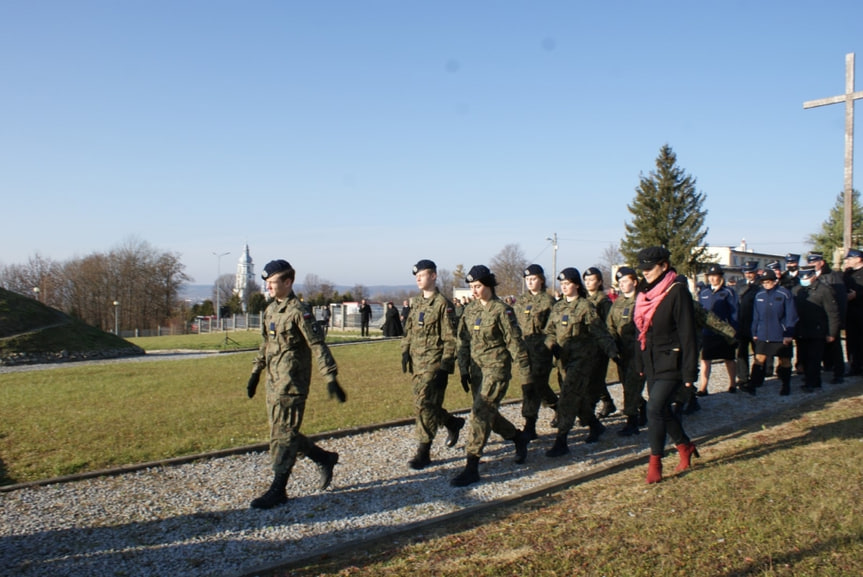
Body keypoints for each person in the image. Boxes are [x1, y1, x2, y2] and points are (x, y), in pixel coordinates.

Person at [246, 259, 346, 510]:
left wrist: (331, 377)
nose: (268, 287)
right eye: (266, 283)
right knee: (281, 432)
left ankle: (278, 489)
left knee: (284, 435)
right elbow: (265, 344)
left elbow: (317, 345)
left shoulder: (299, 311)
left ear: (287, 282)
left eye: (272, 282)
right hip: (273, 381)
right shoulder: (270, 310)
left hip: (292, 383)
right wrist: (255, 372)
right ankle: (324, 458)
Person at [452, 265, 532, 487]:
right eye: (471, 287)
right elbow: (463, 341)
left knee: (480, 411)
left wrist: (526, 376)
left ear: (488, 285)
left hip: (497, 368)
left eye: (477, 286)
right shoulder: (470, 310)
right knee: (488, 413)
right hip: (477, 370)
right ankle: (518, 438)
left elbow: (515, 343)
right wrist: (464, 368)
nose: (474, 291)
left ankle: (471, 465)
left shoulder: (502, 310)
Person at [633, 247, 699, 484]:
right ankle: (685, 446)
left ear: (664, 265)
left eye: (650, 268)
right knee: (662, 410)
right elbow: (640, 332)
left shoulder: (677, 291)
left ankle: (655, 461)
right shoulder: (644, 292)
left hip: (673, 362)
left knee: (653, 408)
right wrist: (640, 361)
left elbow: (688, 334)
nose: (645, 273)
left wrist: (691, 372)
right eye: (643, 269)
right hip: (651, 361)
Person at [543, 267, 620, 457]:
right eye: (562, 284)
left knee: (568, 397)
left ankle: (561, 440)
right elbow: (549, 331)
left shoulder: (585, 307)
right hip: (563, 360)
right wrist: (551, 345)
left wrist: (613, 353)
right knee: (577, 398)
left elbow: (600, 332)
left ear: (577, 285)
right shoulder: (559, 307)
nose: (565, 287)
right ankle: (595, 425)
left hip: (582, 360)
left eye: (568, 283)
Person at [400, 259, 465, 470]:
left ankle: (424, 450)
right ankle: (451, 423)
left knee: (423, 405)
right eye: (416, 276)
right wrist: (405, 351)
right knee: (428, 404)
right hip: (417, 364)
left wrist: (445, 367)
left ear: (434, 276)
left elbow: (450, 339)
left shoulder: (442, 304)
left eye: (423, 274)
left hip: (434, 364)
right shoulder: (415, 302)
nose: (419, 278)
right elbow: (409, 331)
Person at [514, 264, 559, 439]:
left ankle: (554, 409)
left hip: (542, 351)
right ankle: (531, 424)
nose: (530, 282)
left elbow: (553, 328)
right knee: (528, 387)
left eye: (533, 279)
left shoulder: (548, 302)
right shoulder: (522, 301)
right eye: (527, 280)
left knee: (538, 385)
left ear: (541, 280)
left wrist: (551, 345)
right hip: (525, 351)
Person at [743, 269, 798, 396]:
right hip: (763, 333)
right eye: (764, 282)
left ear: (775, 281)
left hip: (780, 334)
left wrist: (789, 333)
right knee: (759, 359)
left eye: (768, 282)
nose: (766, 284)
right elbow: (756, 315)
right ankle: (753, 385)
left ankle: (785, 385)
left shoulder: (784, 294)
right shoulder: (759, 295)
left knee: (784, 361)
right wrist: (754, 331)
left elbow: (791, 316)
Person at [606, 266, 647, 436]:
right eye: (620, 282)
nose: (621, 285)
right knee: (627, 385)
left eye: (625, 281)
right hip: (622, 353)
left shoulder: (642, 301)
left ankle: (632, 421)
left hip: (638, 353)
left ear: (635, 282)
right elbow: (610, 325)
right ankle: (643, 408)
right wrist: (612, 347)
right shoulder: (619, 302)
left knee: (631, 387)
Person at [793, 265, 840, 392]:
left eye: (807, 276)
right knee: (805, 358)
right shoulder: (798, 290)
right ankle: (812, 380)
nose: (804, 279)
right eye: (801, 277)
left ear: (814, 276)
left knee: (815, 358)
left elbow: (832, 313)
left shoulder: (824, 290)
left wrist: (832, 332)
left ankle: (812, 383)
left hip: (818, 330)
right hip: (802, 330)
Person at [696, 264, 738, 395]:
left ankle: (732, 383)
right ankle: (703, 387)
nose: (713, 279)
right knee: (705, 360)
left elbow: (734, 313)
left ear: (720, 277)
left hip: (724, 332)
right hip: (708, 332)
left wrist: (734, 331)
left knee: (729, 359)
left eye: (715, 276)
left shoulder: (729, 292)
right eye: (710, 276)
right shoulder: (703, 292)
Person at [583, 267, 617, 418]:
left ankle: (589, 412)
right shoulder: (583, 299)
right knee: (593, 378)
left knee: (595, 378)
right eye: (586, 280)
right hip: (586, 345)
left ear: (600, 282)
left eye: (592, 280)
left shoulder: (603, 301)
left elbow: (609, 323)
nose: (588, 283)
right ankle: (608, 402)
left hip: (599, 345)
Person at [809, 252, 847, 383]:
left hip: (830, 317)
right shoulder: (810, 276)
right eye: (810, 262)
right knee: (818, 348)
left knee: (834, 346)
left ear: (822, 262)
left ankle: (839, 373)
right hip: (817, 319)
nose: (812, 264)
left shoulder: (832, 276)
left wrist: (838, 322)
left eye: (814, 262)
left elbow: (840, 300)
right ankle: (823, 370)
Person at [733, 261, 760, 390]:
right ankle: (743, 377)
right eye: (746, 272)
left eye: (750, 272)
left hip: (755, 322)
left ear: (756, 272)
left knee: (758, 352)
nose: (748, 275)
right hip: (742, 323)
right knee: (742, 352)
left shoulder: (760, 285)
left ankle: (758, 377)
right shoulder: (739, 284)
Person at [843, 248, 863, 375]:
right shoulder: (847, 273)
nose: (848, 261)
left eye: (850, 258)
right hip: (850, 312)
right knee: (851, 341)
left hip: (861, 311)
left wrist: (858, 295)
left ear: (858, 259)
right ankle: (853, 365)